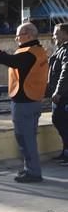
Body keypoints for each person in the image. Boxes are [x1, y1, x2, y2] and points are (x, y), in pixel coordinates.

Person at [0, 22, 49, 183]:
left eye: (18, 35)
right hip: (34, 99)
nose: (16, 38)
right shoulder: (37, 51)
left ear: (28, 35)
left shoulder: (29, 53)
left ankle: (33, 173)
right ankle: (30, 170)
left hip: (24, 102)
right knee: (29, 138)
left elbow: (12, 61)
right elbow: (15, 60)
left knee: (25, 138)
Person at [47, 23, 68, 164]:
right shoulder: (61, 49)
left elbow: (65, 72)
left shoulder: (66, 50)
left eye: (56, 33)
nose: (53, 35)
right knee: (60, 121)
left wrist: (58, 92)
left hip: (64, 95)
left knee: (61, 121)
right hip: (61, 94)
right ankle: (65, 151)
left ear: (65, 34)